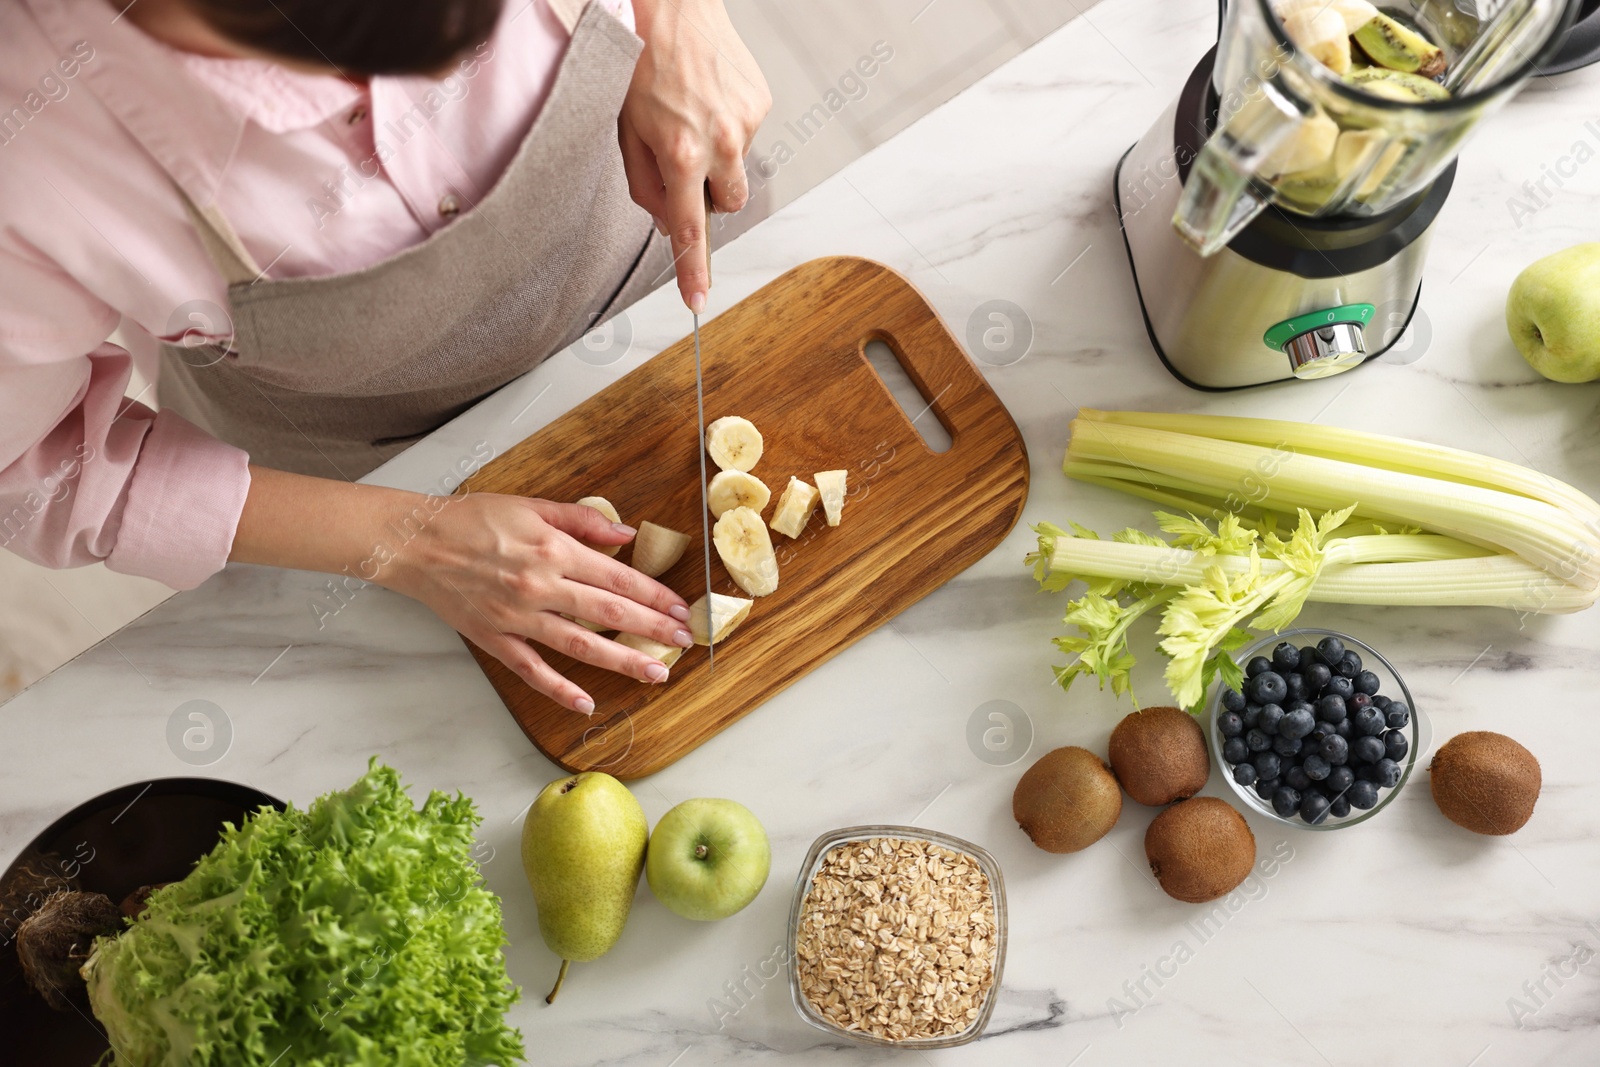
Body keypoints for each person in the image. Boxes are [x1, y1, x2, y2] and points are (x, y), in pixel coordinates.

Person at [0, 0, 770, 714]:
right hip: (391, 499)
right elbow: (32, 466)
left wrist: (671, 17)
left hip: (673, 257)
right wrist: (413, 541)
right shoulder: (25, 133)